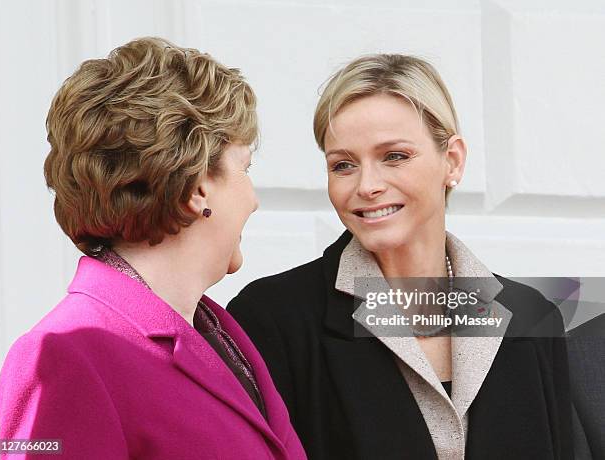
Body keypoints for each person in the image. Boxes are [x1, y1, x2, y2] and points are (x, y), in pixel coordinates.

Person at [227, 54, 573, 459]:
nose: (367, 185)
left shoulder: (532, 319)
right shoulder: (272, 319)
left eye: (394, 156)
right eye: (343, 165)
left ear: (453, 160)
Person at [0, 37, 306, 460]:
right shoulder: (59, 355)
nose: (253, 197)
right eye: (244, 168)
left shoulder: (221, 332)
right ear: (198, 188)